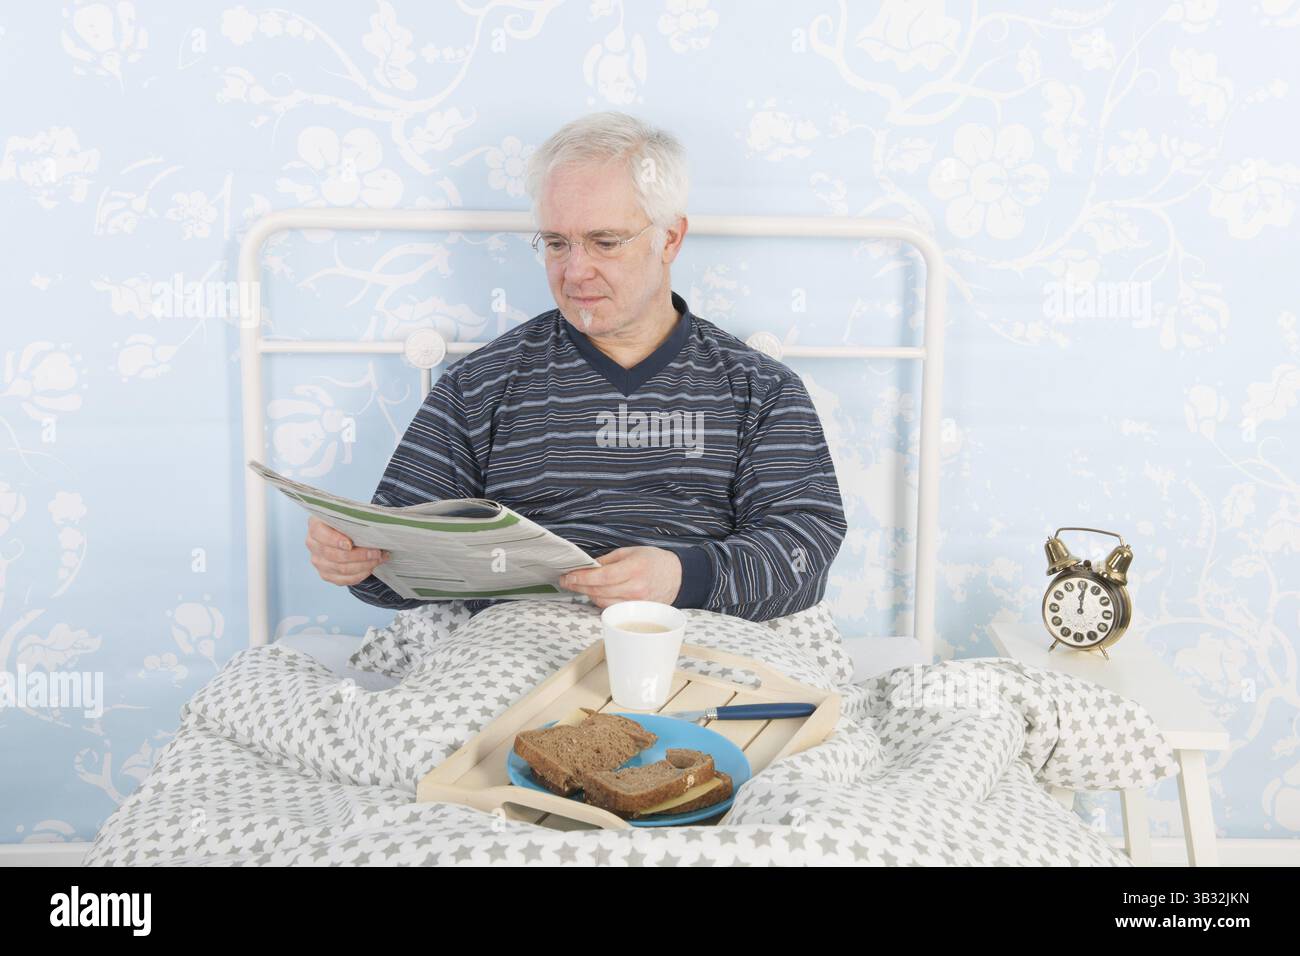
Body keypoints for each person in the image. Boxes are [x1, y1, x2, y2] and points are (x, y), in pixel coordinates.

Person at [305, 111, 846, 622]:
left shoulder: (760, 390)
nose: (575, 270)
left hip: (695, 634)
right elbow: (398, 551)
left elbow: (805, 547)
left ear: (671, 238)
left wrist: (683, 576)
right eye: (557, 243)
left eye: (605, 241)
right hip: (517, 649)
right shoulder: (481, 384)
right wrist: (356, 561)